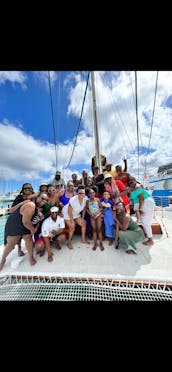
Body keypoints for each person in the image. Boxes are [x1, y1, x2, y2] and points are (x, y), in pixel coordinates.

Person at [0, 193, 48, 271]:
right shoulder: (31, 205)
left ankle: (30, 257)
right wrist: (32, 230)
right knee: (11, 244)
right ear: (37, 197)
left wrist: (39, 220)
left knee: (29, 241)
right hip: (15, 224)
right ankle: (3, 260)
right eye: (42, 198)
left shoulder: (37, 209)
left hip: (25, 224)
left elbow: (31, 220)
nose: (44, 201)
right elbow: (26, 221)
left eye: (46, 200)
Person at [129, 180, 155, 246]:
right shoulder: (133, 190)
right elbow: (135, 200)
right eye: (129, 183)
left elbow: (141, 199)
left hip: (145, 204)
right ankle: (148, 235)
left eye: (132, 182)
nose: (131, 183)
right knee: (144, 222)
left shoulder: (138, 187)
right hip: (141, 205)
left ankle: (150, 240)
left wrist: (140, 208)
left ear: (135, 182)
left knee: (146, 222)